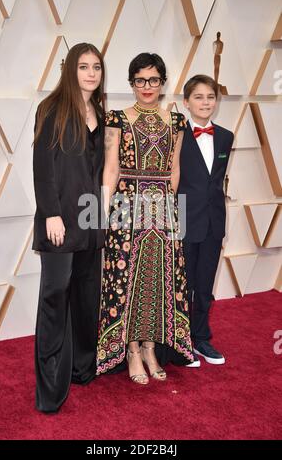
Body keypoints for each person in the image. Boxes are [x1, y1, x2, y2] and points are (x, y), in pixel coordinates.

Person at [96, 53, 194, 384]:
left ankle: (151, 347)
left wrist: (170, 209)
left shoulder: (177, 121)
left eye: (153, 80)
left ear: (162, 82)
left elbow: (175, 169)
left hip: (162, 207)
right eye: (139, 80)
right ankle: (132, 350)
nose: (147, 87)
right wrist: (102, 212)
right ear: (131, 83)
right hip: (125, 204)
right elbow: (110, 168)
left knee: (157, 278)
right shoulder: (116, 119)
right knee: (127, 281)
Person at [32, 43, 105, 412]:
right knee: (54, 301)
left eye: (96, 67)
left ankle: (82, 368)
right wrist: (51, 213)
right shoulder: (52, 109)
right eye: (83, 66)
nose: (90, 73)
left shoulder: (100, 112)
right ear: (70, 70)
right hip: (60, 221)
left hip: (92, 222)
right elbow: (43, 167)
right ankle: (49, 388)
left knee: (85, 296)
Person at [178, 74, 234, 367]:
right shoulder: (175, 135)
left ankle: (200, 337)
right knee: (181, 283)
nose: (205, 102)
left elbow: (217, 181)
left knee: (204, 283)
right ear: (186, 102)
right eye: (198, 97)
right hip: (184, 220)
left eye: (210, 97)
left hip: (213, 221)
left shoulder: (225, 136)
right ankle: (180, 340)